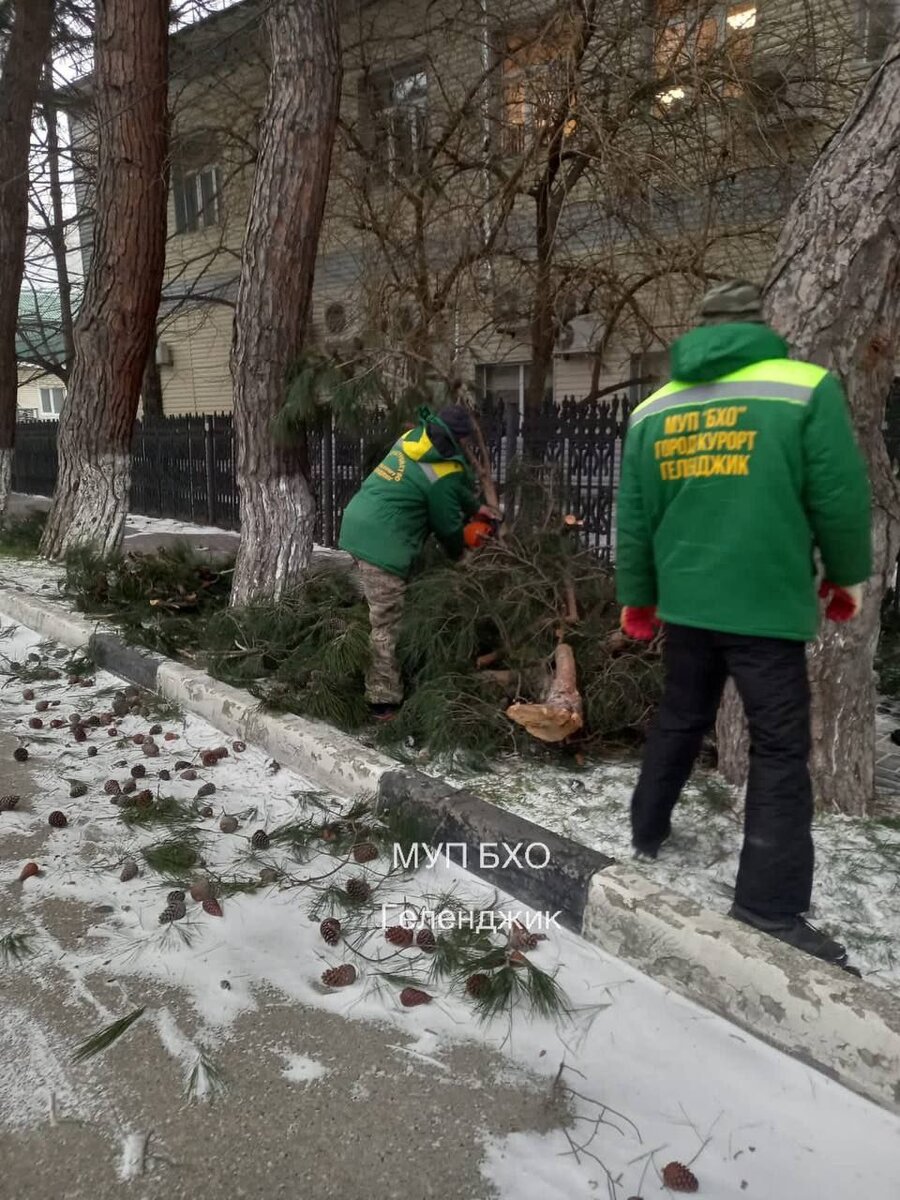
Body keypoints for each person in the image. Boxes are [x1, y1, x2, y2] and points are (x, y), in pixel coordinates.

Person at [615, 280, 872, 967]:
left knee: (680, 715)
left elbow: (634, 517)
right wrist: (846, 575)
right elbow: (839, 496)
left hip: (688, 601)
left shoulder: (654, 407)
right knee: (780, 749)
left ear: (698, 327)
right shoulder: (803, 387)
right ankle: (769, 907)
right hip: (764, 605)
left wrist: (637, 597)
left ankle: (646, 830)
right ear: (760, 324)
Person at [339, 404, 492, 720]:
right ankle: (382, 701)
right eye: (465, 441)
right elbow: (448, 527)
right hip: (382, 544)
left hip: (358, 523)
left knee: (377, 607)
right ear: (456, 441)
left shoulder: (412, 438)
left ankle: (351, 652)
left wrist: (477, 508)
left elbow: (451, 486)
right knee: (388, 621)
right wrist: (461, 557)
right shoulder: (441, 473)